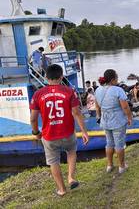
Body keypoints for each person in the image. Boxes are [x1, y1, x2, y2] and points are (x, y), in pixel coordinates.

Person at [30, 64, 89, 197]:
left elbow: (33, 119)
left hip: (49, 135)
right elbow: (76, 113)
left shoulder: (38, 94)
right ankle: (71, 178)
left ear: (46, 77)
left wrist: (36, 133)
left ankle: (62, 189)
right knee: (71, 152)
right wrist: (84, 131)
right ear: (61, 76)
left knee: (53, 162)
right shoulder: (69, 91)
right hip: (67, 132)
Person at [95, 69, 132, 173]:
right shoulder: (118, 90)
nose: (117, 80)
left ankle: (110, 165)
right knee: (119, 144)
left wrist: (99, 117)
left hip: (105, 120)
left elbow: (97, 107)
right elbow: (125, 107)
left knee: (109, 143)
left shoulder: (98, 90)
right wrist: (129, 117)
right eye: (116, 78)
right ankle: (121, 166)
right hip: (118, 120)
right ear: (112, 79)